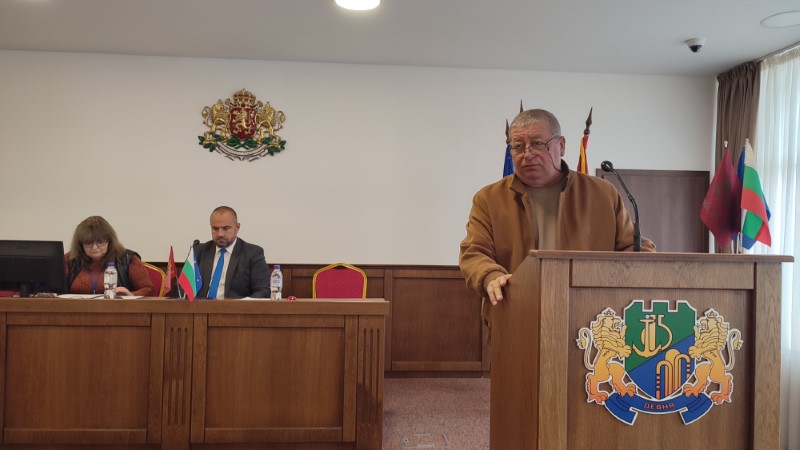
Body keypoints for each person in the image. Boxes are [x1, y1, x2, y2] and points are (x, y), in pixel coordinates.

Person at [459, 109, 655, 318]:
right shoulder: (489, 199)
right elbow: (474, 252)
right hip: (515, 314)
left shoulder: (602, 194)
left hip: (589, 315)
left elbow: (634, 247)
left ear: (561, 145)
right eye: (518, 146)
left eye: (537, 144)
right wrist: (491, 275)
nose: (527, 154)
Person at [66, 216, 153, 296]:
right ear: (80, 244)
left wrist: (131, 295)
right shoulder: (69, 259)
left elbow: (149, 290)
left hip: (119, 307)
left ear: (110, 241)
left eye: (100, 242)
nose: (94, 247)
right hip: (77, 307)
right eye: (88, 242)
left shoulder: (128, 259)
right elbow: (59, 290)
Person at [194, 206, 270, 299]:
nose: (220, 234)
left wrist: (242, 304)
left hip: (236, 307)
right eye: (215, 229)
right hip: (202, 307)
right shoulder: (198, 251)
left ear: (237, 228)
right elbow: (183, 289)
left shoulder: (253, 253)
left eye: (226, 228)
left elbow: (263, 291)